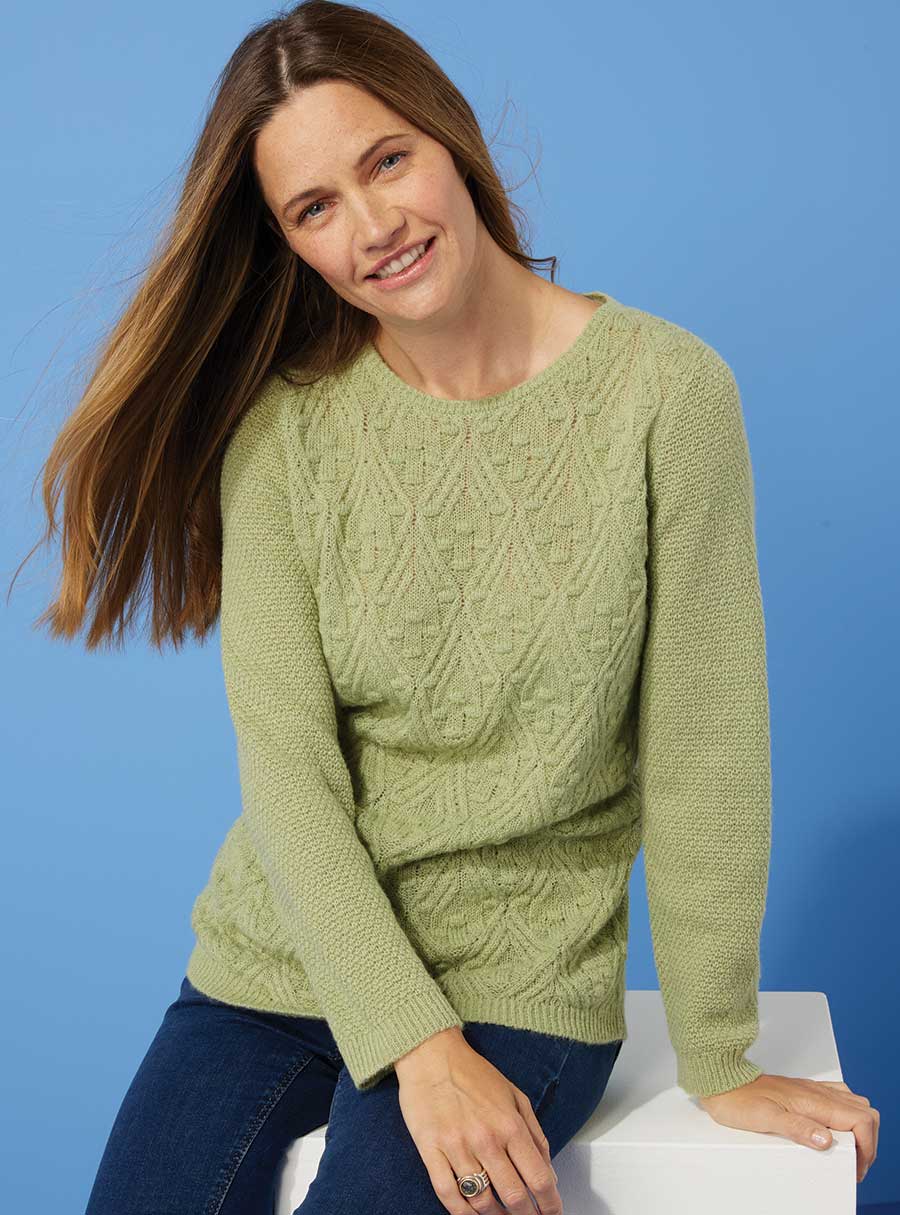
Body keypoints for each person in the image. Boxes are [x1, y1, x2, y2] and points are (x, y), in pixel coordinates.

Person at [20, 2, 877, 1212]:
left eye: (387, 161)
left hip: (520, 981)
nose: (374, 227)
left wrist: (720, 1052)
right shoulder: (283, 436)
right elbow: (289, 771)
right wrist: (414, 1045)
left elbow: (704, 746)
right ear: (288, 244)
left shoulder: (666, 395)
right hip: (280, 964)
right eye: (315, 208)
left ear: (450, 137)